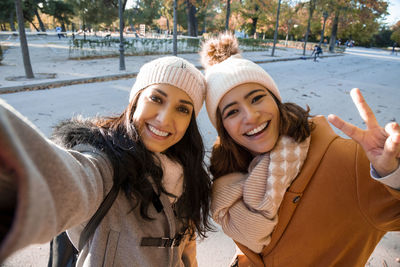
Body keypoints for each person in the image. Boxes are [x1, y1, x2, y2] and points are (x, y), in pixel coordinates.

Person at [200, 32, 400, 266]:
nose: (251, 116)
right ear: (223, 128)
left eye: (256, 98)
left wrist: (393, 175)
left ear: (275, 100)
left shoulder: (348, 161)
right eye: (232, 112)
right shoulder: (231, 172)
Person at [0, 56, 212, 266]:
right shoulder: (105, 164)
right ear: (136, 100)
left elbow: (186, 252)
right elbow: (57, 183)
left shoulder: (187, 175)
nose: (165, 119)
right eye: (156, 99)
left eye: (182, 109)